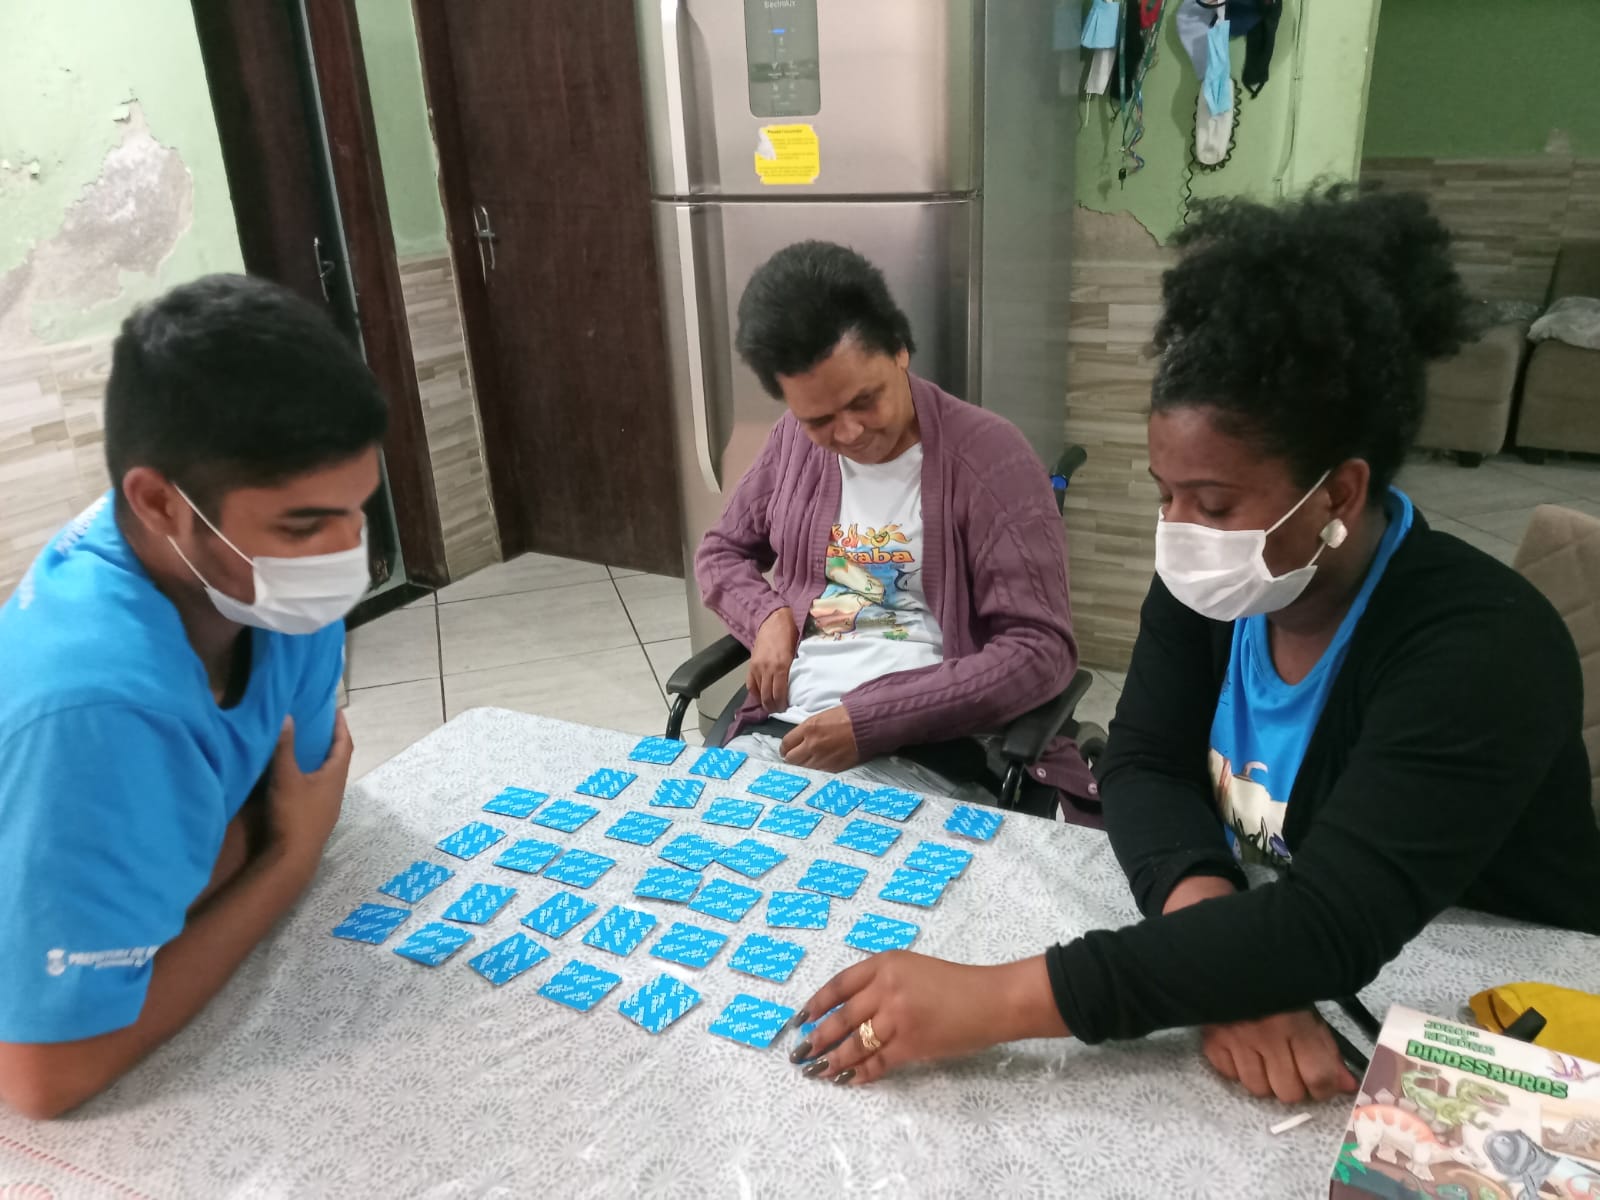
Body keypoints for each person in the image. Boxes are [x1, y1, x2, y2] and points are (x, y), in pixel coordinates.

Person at [788, 187, 1600, 1095]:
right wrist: (1219, 946)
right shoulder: (1219, 580)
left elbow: (1333, 925)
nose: (1179, 531)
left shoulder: (1484, 652)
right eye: (1164, 493)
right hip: (1298, 941)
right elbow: (1143, 763)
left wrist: (997, 1001)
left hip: (1510, 1000)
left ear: (1337, 494)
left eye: (1213, 503)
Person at [0, 275, 386, 1118]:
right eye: (302, 525)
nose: (344, 554)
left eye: (357, 510)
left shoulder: (267, 588)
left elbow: (298, 791)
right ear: (159, 504)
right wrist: (286, 860)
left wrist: (204, 857)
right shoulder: (95, 706)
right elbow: (44, 1076)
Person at [695, 240, 1095, 819]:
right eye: (819, 419)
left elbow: (1041, 652)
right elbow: (721, 551)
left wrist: (873, 719)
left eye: (865, 400)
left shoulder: (991, 459)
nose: (849, 433)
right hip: (790, 732)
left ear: (900, 349)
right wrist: (768, 618)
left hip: (932, 749)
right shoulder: (792, 443)